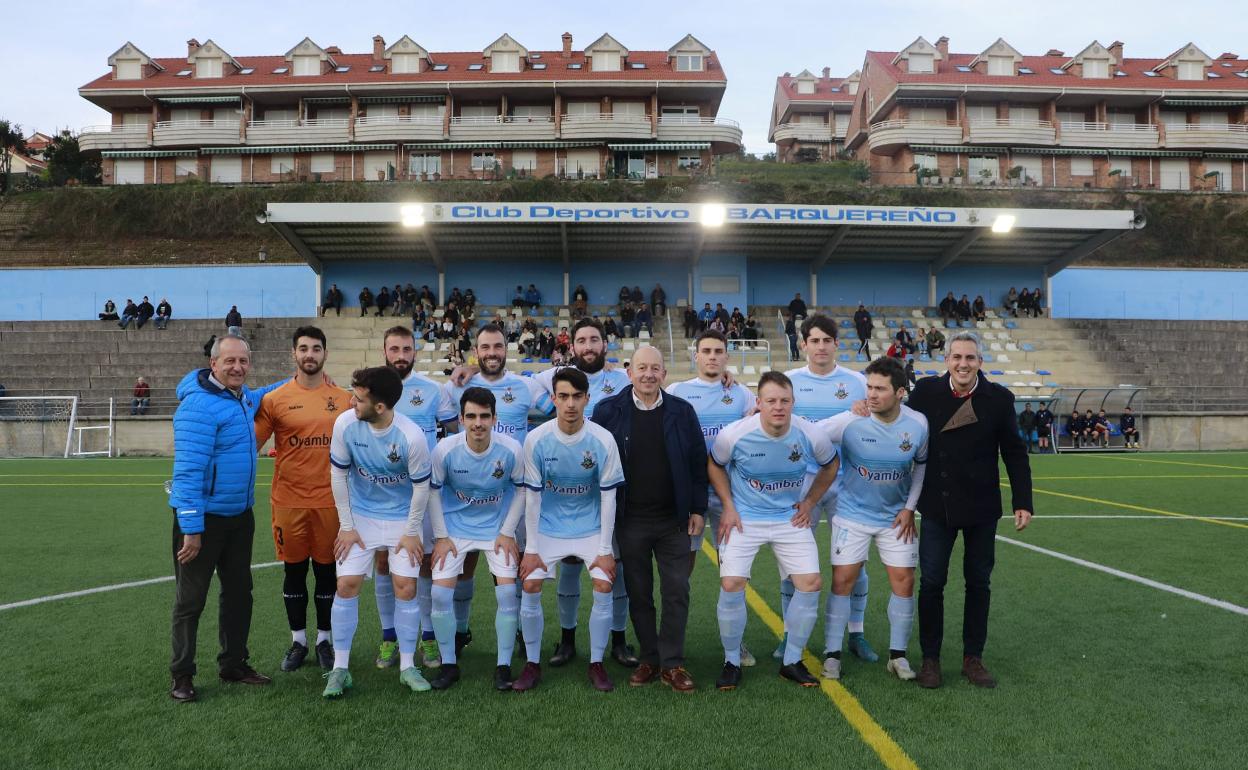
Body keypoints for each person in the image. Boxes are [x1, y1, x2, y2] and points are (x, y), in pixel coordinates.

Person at [904, 331, 1032, 689]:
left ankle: (972, 657)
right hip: (936, 505)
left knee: (979, 583)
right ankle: (930, 658)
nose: (963, 364)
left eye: (970, 358)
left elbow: (1014, 453)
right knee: (931, 583)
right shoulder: (926, 392)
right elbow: (902, 429)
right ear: (946, 360)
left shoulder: (999, 398)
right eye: (957, 357)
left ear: (980, 362)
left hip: (981, 505)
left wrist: (1023, 500)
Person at [167, 336, 282, 701]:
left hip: (239, 516)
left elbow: (265, 392)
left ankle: (234, 664)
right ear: (213, 363)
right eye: (229, 361)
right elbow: (187, 472)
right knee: (191, 600)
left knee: (238, 594)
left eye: (243, 361)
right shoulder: (198, 406)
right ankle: (182, 675)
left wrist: (306, 378)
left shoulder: (242, 398)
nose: (237, 367)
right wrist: (192, 529)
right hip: (203, 522)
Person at [709, 371, 838, 690]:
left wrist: (809, 501)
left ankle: (792, 660)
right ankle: (731, 660)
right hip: (745, 519)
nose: (778, 407)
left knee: (810, 583)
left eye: (784, 401)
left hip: (788, 519)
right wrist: (728, 504)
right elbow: (714, 464)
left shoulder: (810, 433)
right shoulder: (734, 434)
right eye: (771, 401)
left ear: (793, 402)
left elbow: (831, 464)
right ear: (759, 403)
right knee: (731, 583)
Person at [592, 346, 707, 692]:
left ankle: (672, 663)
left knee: (677, 590)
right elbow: (594, 458)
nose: (648, 374)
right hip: (630, 521)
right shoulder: (608, 411)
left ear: (664, 374)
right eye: (642, 367)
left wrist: (698, 509)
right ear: (629, 372)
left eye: (655, 368)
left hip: (673, 520)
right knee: (639, 594)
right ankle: (649, 658)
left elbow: (697, 464)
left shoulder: (682, 412)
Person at [322, 366, 432, 698]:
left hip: (402, 519)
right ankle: (340, 669)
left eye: (358, 399)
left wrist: (412, 532)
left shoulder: (411, 437)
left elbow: (421, 490)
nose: (352, 404)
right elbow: (338, 477)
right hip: (362, 517)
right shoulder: (345, 424)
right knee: (346, 584)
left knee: (405, 588)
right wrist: (346, 526)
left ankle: (407, 666)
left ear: (380, 406)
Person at [513, 368, 625, 692]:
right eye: (563, 396)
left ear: (587, 399)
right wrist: (531, 549)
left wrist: (605, 550)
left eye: (577, 396)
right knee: (531, 584)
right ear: (553, 399)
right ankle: (532, 663)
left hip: (590, 527)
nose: (571, 404)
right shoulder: (536, 439)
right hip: (549, 527)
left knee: (604, 585)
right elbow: (532, 498)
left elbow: (609, 499)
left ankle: (596, 663)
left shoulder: (603, 440)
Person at [819, 356, 928, 682]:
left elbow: (921, 466)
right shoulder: (849, 420)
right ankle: (832, 654)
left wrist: (910, 507)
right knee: (842, 582)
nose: (872, 394)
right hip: (851, 515)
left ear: (900, 392)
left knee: (904, 582)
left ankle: (897, 656)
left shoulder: (919, 424)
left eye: (880, 389)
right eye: (869, 387)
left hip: (896, 518)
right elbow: (807, 435)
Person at [253, 326, 348, 673]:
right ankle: (298, 641)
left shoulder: (344, 399)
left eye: (316, 349)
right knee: (293, 572)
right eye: (304, 349)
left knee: (327, 573)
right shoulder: (274, 399)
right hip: (288, 502)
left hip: (330, 503)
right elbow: (250, 444)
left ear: (325, 354)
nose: (310, 355)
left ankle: (324, 639)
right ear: (293, 353)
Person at [785, 315, 873, 663]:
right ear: (803, 344)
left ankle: (856, 632)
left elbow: (885, 415)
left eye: (827, 340)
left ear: (837, 344)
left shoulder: (858, 382)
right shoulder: (788, 381)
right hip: (801, 483)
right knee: (791, 563)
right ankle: (790, 636)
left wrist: (867, 410)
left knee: (854, 563)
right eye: (814, 340)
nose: (820, 347)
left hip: (847, 481)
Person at [426, 387, 526, 690]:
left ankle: (503, 666)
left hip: (496, 529)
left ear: (495, 418)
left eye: (484, 416)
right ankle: (448, 665)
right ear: (461, 418)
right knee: (440, 595)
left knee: (508, 594)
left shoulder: (511, 449)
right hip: (456, 528)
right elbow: (432, 493)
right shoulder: (445, 449)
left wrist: (508, 532)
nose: (478, 423)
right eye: (471, 416)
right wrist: (441, 537)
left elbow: (521, 490)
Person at [667, 329, 757, 666]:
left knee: (732, 570)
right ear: (695, 355)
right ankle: (675, 640)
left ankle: (736, 643)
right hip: (689, 496)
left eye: (719, 351)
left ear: (727, 357)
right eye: (706, 350)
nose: (713, 356)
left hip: (728, 496)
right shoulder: (677, 391)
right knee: (681, 571)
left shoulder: (743, 395)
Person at [375, 326, 457, 669]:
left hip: (422, 494)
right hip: (383, 495)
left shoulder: (433, 390)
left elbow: (453, 432)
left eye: (406, 349)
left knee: (423, 565)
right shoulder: (372, 390)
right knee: (383, 563)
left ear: (415, 352)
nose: (400, 356)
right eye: (394, 349)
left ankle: (427, 638)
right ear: (384, 352)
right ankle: (389, 637)